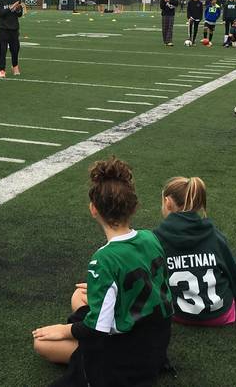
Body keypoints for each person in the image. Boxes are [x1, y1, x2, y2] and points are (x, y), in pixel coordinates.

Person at [32, 157, 172, 387]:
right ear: (134, 207)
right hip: (157, 339)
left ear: (93, 209)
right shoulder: (150, 237)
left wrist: (65, 330)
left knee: (42, 344)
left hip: (129, 355)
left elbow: (97, 329)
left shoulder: (104, 259)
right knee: (78, 297)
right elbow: (153, 286)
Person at [154, 176, 236, 326]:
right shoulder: (213, 235)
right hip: (220, 315)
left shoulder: (155, 238)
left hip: (178, 315)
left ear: (167, 202)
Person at [0, 0, 24, 77]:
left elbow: (19, 14)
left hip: (14, 29)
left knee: (15, 50)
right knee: (2, 51)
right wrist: (11, 7)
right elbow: (1, 12)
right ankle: (2, 69)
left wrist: (18, 9)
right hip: (3, 29)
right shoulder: (0, 0)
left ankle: (15, 66)